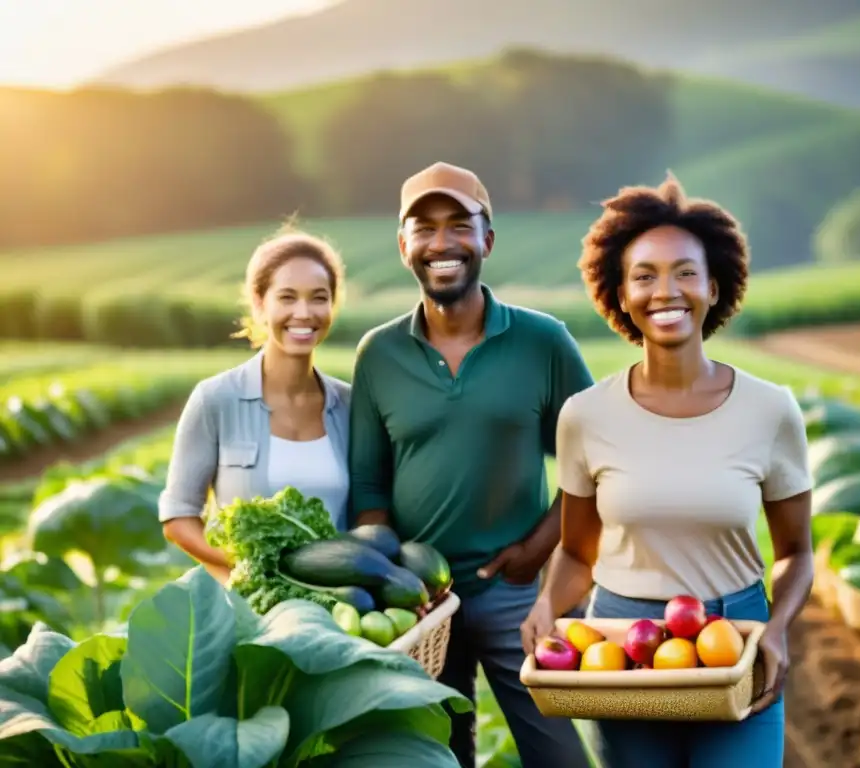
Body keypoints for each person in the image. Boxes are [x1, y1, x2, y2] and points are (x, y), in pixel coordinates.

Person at [520, 173, 814, 768]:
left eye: (684, 272)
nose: (666, 291)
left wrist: (777, 625)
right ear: (621, 295)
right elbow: (578, 554)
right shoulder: (586, 416)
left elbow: (796, 554)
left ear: (713, 284)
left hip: (734, 641)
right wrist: (548, 605)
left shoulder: (770, 408)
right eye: (644, 275)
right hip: (620, 647)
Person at [347, 161, 593, 768]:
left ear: (487, 239)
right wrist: (393, 589)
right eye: (423, 228)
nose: (441, 243)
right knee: (437, 758)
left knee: (560, 757)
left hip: (515, 596)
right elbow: (369, 487)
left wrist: (537, 549)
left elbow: (592, 465)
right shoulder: (378, 354)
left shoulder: (544, 342)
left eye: (459, 224)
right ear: (403, 245)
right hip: (421, 605)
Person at [159, 229, 352, 583]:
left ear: (332, 307)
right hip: (247, 612)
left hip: (339, 612)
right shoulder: (215, 399)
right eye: (287, 297)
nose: (304, 312)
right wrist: (255, 568)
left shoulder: (351, 406)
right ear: (260, 304)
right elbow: (177, 517)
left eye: (319, 298)